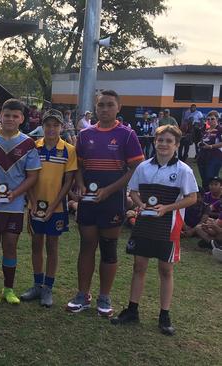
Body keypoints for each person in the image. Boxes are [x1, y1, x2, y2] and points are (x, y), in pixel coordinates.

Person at [111, 125, 198, 336]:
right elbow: (133, 191)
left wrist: (167, 208)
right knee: (139, 267)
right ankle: (132, 310)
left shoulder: (183, 170)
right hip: (145, 224)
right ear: (154, 143)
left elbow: (192, 198)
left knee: (165, 270)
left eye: (169, 141)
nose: (164, 144)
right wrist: (140, 205)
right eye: (160, 140)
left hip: (168, 226)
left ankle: (164, 315)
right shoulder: (144, 167)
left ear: (177, 145)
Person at [66, 90, 144, 317]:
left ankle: (104, 296)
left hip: (113, 201)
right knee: (87, 246)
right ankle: (82, 294)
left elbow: (134, 168)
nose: (105, 109)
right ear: (95, 107)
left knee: (108, 249)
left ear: (119, 107)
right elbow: (79, 166)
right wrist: (80, 184)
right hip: (89, 202)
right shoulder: (85, 134)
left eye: (110, 105)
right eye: (101, 105)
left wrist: (109, 190)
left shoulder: (127, 135)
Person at [0, 99, 41, 305]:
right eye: (7, 115)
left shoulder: (28, 143)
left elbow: (32, 176)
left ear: (21, 118)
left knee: (11, 245)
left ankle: (9, 288)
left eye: (15, 116)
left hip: (14, 205)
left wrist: (15, 194)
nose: (10, 119)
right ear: (0, 116)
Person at [19, 110, 77, 307]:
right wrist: (32, 202)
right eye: (48, 125)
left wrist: (54, 205)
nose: (51, 129)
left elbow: (68, 181)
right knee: (36, 244)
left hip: (57, 207)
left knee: (52, 247)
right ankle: (37, 285)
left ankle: (48, 288)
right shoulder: (34, 147)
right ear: (42, 126)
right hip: (35, 205)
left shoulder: (69, 149)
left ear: (62, 127)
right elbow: (28, 177)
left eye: (55, 125)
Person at [197, 111, 222, 188]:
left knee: (210, 178)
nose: (210, 121)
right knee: (204, 179)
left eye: (212, 119)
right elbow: (203, 141)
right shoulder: (206, 131)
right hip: (203, 156)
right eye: (208, 119)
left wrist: (210, 146)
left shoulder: (220, 129)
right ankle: (206, 197)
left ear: (217, 119)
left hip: (215, 157)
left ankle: (214, 197)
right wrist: (199, 144)